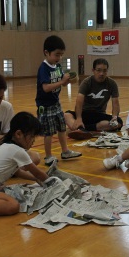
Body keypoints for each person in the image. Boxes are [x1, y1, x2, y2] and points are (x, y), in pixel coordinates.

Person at [36, 35, 82, 166]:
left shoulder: (57, 67)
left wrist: (69, 80)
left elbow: (62, 83)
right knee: (49, 132)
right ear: (46, 52)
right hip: (45, 106)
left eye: (61, 55)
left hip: (56, 104)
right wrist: (62, 81)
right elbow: (45, 88)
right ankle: (48, 156)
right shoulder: (44, 68)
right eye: (57, 55)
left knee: (62, 128)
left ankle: (65, 151)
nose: (59, 58)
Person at [64, 58, 123, 139]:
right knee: (66, 115)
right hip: (84, 114)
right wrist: (78, 118)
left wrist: (114, 117)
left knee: (119, 122)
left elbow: (115, 103)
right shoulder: (87, 82)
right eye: (98, 70)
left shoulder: (112, 84)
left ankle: (82, 129)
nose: (101, 73)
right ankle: (80, 126)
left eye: (104, 71)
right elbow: (79, 101)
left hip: (99, 115)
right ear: (93, 70)